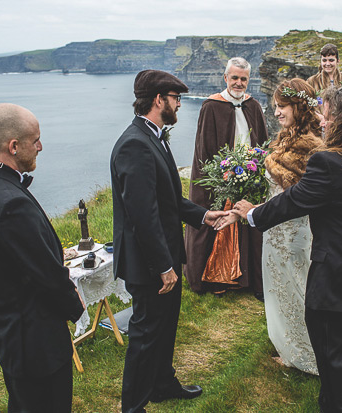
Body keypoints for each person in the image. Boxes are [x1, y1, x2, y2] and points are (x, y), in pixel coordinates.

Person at [228, 85, 342, 413]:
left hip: (337, 275)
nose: (322, 120)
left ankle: (338, 406)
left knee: (332, 348)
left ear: (341, 121)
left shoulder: (328, 163)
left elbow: (294, 201)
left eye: (326, 114)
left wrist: (251, 213)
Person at [110, 70, 227, 413]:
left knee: (165, 326)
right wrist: (163, 266)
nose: (178, 103)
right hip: (148, 262)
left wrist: (204, 216)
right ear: (159, 100)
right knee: (145, 334)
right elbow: (142, 215)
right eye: (175, 97)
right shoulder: (135, 143)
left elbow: (167, 200)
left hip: (162, 255)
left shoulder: (153, 136)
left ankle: (161, 384)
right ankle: (133, 406)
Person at [0, 103, 85, 412]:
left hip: (11, 332)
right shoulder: (10, 205)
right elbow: (45, 274)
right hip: (35, 342)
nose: (40, 147)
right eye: (35, 140)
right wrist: (76, 306)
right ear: (14, 146)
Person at [185, 57, 268, 297]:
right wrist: (218, 177)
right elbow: (204, 148)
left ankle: (246, 277)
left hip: (249, 174)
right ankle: (216, 277)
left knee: (248, 220)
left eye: (243, 79)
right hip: (221, 177)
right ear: (225, 78)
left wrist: (256, 170)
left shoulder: (253, 106)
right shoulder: (211, 106)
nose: (239, 83)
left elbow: (261, 143)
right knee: (219, 221)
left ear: (248, 79)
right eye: (234, 78)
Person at [260, 78, 323, 372]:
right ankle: (288, 339)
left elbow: (302, 193)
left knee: (296, 284)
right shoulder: (286, 136)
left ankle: (303, 348)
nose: (276, 113)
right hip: (275, 224)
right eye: (275, 106)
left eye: (281, 106)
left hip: (294, 228)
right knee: (279, 284)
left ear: (298, 106)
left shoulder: (310, 145)